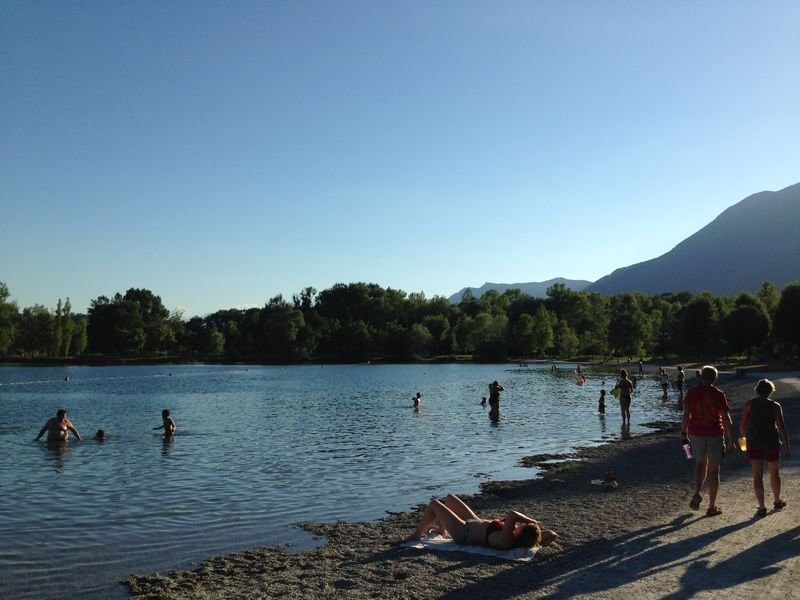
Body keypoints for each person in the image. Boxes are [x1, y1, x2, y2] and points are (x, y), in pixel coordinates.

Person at [681, 365, 736, 516]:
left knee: (700, 463)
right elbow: (726, 418)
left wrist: (683, 434)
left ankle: (697, 491)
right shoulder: (719, 394)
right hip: (715, 434)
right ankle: (711, 506)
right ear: (715, 378)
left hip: (695, 433)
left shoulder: (691, 392)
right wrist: (731, 440)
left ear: (700, 376)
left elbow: (686, 415)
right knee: (714, 470)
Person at [412, 493, 558, 550]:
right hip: (474, 522)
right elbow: (552, 534)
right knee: (449, 499)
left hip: (463, 532)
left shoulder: (507, 540)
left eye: (522, 526)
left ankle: (417, 535)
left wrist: (531, 520)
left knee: (434, 504)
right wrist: (537, 531)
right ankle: (442, 529)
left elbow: (513, 514)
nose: (521, 524)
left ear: (521, 534)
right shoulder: (520, 535)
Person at [739, 379, 791, 517]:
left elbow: (742, 426)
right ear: (770, 391)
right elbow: (781, 427)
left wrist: (744, 437)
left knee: (757, 476)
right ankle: (777, 500)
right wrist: (786, 446)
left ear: (757, 390)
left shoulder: (749, 404)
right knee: (774, 473)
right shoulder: (775, 406)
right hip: (772, 442)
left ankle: (762, 507)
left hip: (754, 442)